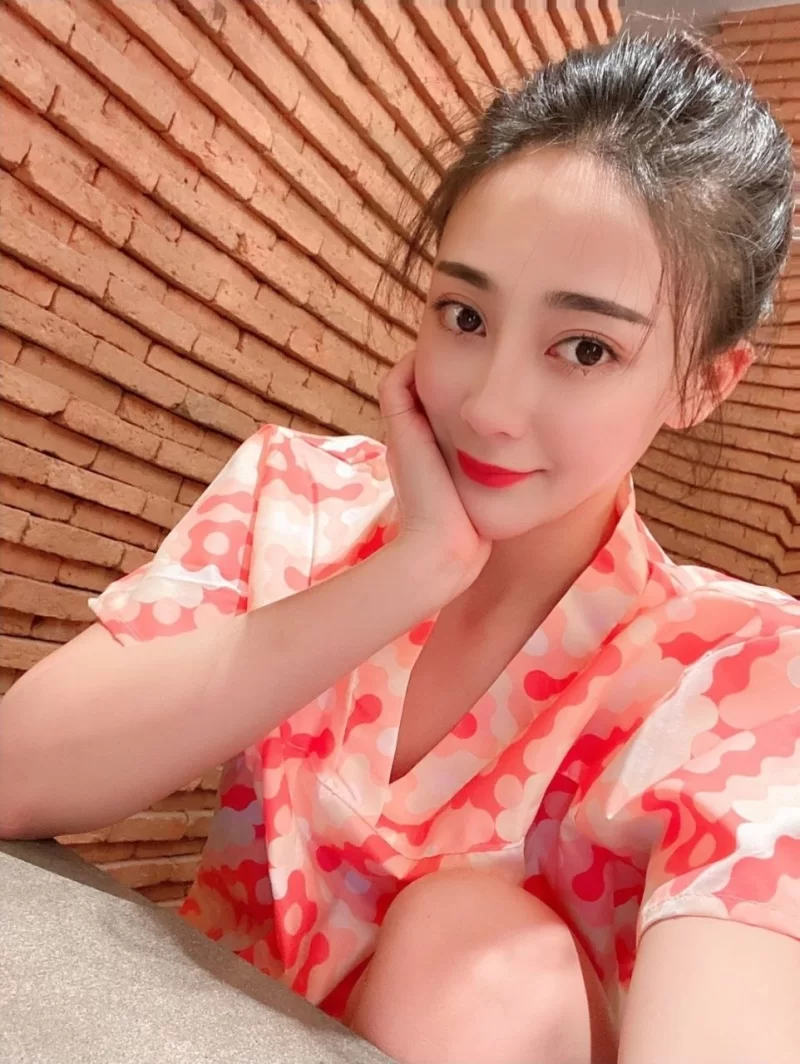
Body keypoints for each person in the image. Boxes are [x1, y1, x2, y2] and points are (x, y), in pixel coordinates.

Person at [1, 26, 798, 1064]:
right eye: (464, 315)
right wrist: (412, 570)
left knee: (475, 947)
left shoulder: (737, 669)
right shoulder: (298, 496)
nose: (490, 407)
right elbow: (18, 772)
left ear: (703, 382)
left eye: (585, 347)